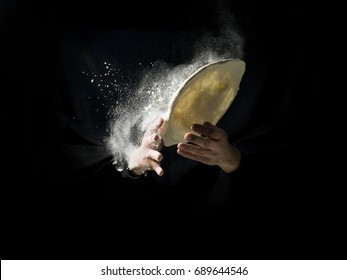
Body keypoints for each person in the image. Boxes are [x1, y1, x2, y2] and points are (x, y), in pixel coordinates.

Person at [1, 0, 324, 260]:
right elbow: (60, 178)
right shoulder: (67, 44)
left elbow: (288, 184)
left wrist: (232, 160)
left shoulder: (281, 48)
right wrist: (132, 165)